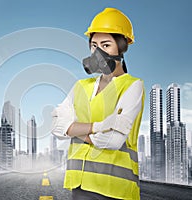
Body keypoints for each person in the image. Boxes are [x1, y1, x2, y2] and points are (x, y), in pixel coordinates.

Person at [51, 8, 145, 200]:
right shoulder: (80, 87)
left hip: (115, 190)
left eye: (106, 45)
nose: (98, 52)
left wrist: (74, 130)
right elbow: (55, 126)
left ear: (122, 47)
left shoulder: (132, 86)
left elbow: (112, 140)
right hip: (79, 186)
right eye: (94, 45)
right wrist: (99, 126)